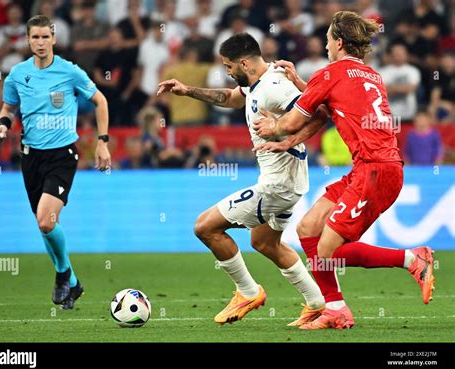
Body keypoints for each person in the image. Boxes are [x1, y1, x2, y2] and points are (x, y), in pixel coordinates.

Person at [253, 11, 435, 330]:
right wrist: (298, 84)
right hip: (370, 168)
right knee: (308, 228)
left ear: (338, 42)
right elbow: (331, 104)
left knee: (326, 251)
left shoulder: (332, 72)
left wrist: (275, 127)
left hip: (376, 171)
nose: (325, 47)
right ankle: (335, 309)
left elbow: (296, 119)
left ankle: (412, 259)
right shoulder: (370, 75)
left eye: (326, 41)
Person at [157, 33, 326, 326]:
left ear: (244, 63)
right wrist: (188, 91)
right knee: (265, 243)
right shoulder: (257, 83)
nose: (227, 72)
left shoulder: (275, 86)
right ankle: (317, 303)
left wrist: (286, 139)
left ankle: (247, 292)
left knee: (205, 227)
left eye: (228, 66)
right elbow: (231, 98)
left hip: (277, 185)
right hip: (289, 183)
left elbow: (319, 115)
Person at [0, 15, 111, 310]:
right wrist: (2, 124)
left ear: (54, 39)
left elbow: (101, 101)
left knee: (47, 220)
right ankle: (72, 283)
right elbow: (9, 106)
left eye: (46, 37)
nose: (41, 42)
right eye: (35, 37)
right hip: (31, 157)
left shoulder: (69, 72)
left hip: (62, 156)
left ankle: (63, 274)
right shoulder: (18, 74)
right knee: (43, 225)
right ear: (28, 40)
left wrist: (102, 142)